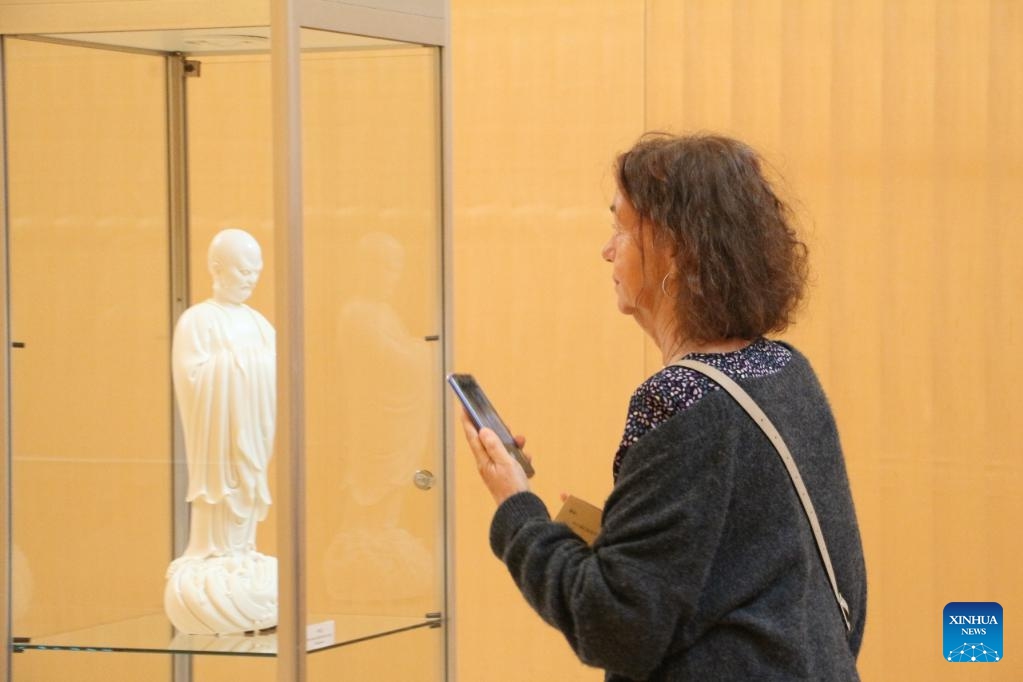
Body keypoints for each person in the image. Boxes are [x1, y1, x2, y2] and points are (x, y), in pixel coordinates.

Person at [461, 133, 867, 680]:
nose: (607, 250)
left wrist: (516, 508)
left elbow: (611, 622)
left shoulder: (678, 398)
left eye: (621, 227)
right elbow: (842, 587)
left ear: (674, 248)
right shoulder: (786, 370)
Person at [165, 228, 277, 635]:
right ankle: (214, 556)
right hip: (218, 439)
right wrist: (241, 365)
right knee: (223, 492)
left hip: (252, 430)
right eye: (243, 270)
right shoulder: (198, 320)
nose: (251, 279)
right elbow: (191, 378)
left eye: (256, 272)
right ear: (217, 267)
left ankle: (242, 551)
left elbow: (280, 372)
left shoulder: (259, 323)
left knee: (248, 492)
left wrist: (256, 366)